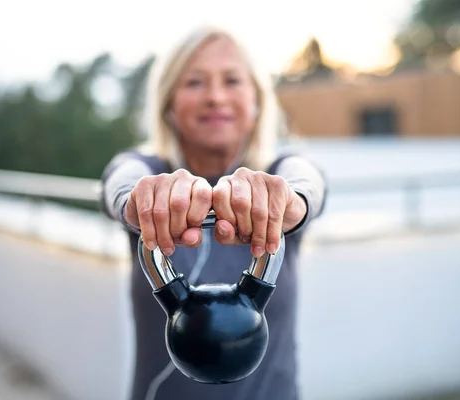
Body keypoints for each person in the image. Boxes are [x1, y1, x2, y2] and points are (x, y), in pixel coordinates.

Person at [100, 25, 327, 400]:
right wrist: (139, 201)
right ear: (168, 104)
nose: (215, 97)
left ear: (256, 102)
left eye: (232, 80)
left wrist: (292, 202)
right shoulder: (145, 169)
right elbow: (120, 180)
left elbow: (309, 181)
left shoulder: (281, 172)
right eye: (194, 83)